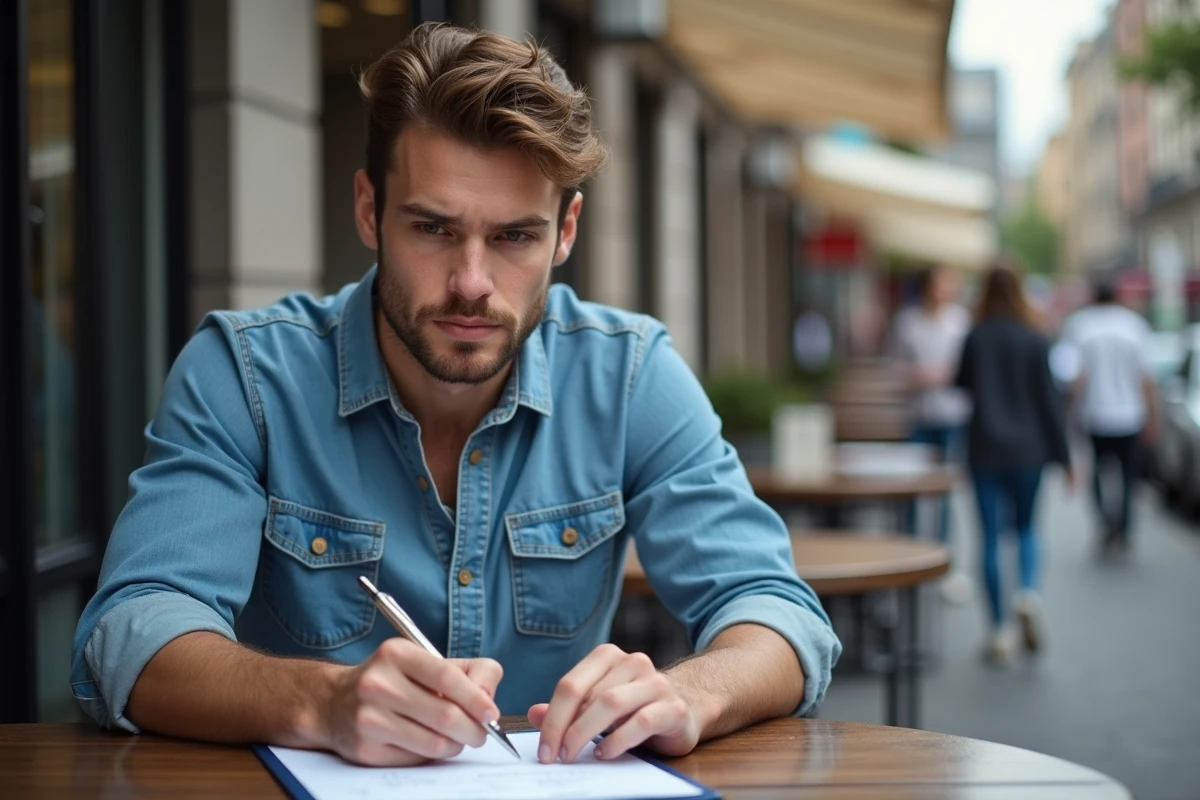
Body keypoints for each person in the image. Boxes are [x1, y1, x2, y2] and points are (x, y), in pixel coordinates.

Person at [70, 24, 840, 768]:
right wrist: (322, 701)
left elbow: (778, 612)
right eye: (434, 229)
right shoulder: (244, 374)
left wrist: (685, 694)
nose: (472, 284)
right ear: (370, 210)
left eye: (514, 237)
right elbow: (132, 634)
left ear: (565, 232)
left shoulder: (627, 374)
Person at [955, 264, 1072, 665]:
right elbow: (1050, 402)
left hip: (985, 448)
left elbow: (961, 383)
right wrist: (1066, 457)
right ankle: (1027, 592)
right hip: (1030, 450)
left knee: (988, 537)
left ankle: (998, 631)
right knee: (1026, 528)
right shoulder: (1036, 337)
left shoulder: (975, 336)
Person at [890, 265, 972, 601]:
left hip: (953, 416)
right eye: (942, 283)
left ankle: (940, 561)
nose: (947, 289)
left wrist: (949, 376)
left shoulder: (961, 322)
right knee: (911, 490)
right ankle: (911, 558)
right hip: (919, 417)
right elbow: (894, 368)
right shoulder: (908, 322)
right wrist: (918, 377)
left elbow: (969, 369)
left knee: (943, 494)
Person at [1061, 278, 1159, 556]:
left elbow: (1075, 376)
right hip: (1129, 414)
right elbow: (1145, 377)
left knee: (1098, 475)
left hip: (1095, 413)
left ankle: (1105, 524)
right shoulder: (1133, 325)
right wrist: (1152, 415)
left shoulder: (1081, 325)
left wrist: (1070, 412)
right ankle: (1124, 529)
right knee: (1128, 477)